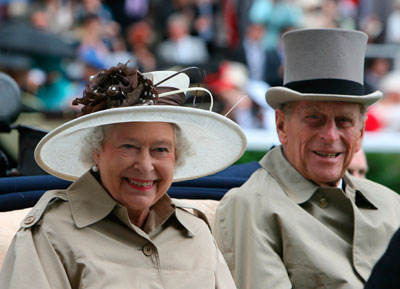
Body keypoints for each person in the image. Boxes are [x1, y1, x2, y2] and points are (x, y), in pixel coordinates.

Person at [0, 63, 247, 288]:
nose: (145, 165)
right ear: (97, 151)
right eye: (129, 147)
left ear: (176, 156)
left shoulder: (196, 233)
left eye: (160, 150)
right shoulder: (51, 234)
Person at [213, 28, 400, 289]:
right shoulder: (249, 206)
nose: (330, 135)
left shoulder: (391, 206)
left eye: (344, 121)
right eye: (314, 118)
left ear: (360, 133)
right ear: (281, 126)